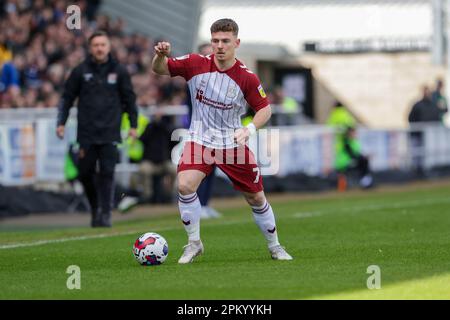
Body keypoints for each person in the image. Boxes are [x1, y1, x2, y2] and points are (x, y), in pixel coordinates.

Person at [152, 18, 293, 263]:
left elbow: (264, 110)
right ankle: (194, 243)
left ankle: (275, 246)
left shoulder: (246, 77)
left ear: (236, 43)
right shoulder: (194, 63)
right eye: (215, 40)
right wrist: (160, 56)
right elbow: (160, 69)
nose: (219, 46)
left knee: (256, 198)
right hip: (200, 140)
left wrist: (248, 130)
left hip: (232, 143)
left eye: (225, 41)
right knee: (185, 185)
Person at [56, 30, 138, 227]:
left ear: (109, 47)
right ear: (90, 48)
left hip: (110, 131)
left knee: (108, 173)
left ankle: (106, 213)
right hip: (86, 133)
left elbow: (130, 100)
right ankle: (95, 208)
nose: (99, 48)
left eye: (103, 45)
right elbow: (67, 98)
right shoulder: (80, 71)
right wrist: (61, 122)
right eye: (96, 45)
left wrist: (133, 125)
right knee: (85, 173)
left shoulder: (119, 71)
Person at [184, 42, 222, 219]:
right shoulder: (195, 78)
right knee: (200, 170)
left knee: (213, 168)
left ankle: (206, 204)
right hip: (200, 130)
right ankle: (198, 206)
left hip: (218, 130)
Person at [408, 86, 443, 175]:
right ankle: (417, 171)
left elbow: (442, 112)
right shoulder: (417, 105)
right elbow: (410, 118)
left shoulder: (434, 104)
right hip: (419, 134)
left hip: (431, 135)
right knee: (418, 153)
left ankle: (428, 170)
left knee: (429, 154)